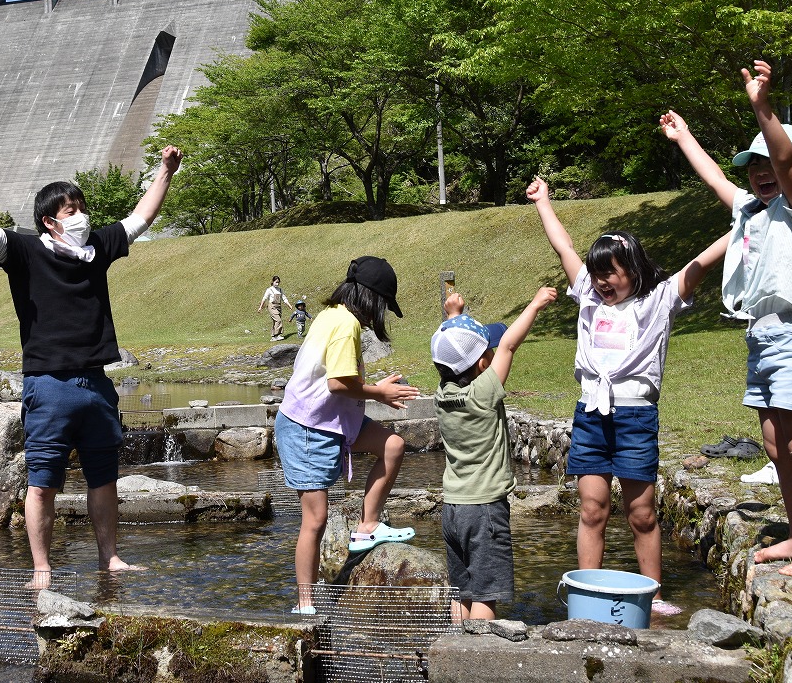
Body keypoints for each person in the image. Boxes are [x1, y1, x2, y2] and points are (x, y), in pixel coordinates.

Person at [0, 144, 183, 589]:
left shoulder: (97, 247)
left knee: (104, 479)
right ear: (49, 221)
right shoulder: (24, 252)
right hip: (48, 385)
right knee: (43, 483)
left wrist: (166, 171)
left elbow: (140, 219)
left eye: (81, 208)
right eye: (70, 210)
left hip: (96, 384)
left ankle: (110, 558)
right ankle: (41, 569)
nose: (80, 216)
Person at [660, 59, 792, 579]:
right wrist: (685, 138)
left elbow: (784, 156)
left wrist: (762, 106)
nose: (761, 170)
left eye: (769, 163)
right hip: (761, 337)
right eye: (753, 165)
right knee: (773, 444)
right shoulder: (751, 212)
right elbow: (717, 178)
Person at [527, 177, 727, 615]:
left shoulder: (656, 300)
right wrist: (543, 201)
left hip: (636, 417)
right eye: (596, 276)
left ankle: (652, 595)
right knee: (593, 509)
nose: (600, 283)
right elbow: (564, 249)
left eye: (610, 274)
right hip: (590, 415)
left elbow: (700, 265)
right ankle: (587, 593)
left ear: (632, 271)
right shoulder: (589, 300)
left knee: (642, 513)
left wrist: (745, 225)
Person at [273, 256, 421, 614]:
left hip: (335, 420)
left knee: (393, 445)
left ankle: (368, 525)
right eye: (383, 305)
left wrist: (373, 388)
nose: (380, 314)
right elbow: (338, 383)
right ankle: (304, 603)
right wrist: (379, 393)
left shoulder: (332, 314)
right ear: (371, 298)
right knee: (316, 519)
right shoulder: (345, 324)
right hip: (308, 426)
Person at [431, 286, 558, 621]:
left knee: (462, 591)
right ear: (483, 362)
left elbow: (452, 350)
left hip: (453, 509)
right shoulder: (483, 394)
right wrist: (534, 303)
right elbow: (510, 344)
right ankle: (477, 660)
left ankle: (455, 656)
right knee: (487, 594)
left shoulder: (442, 394)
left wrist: (453, 316)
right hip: (484, 509)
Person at [258, 275, 294, 341]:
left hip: (278, 306)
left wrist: (289, 305)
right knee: (278, 320)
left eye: (278, 282)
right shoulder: (269, 290)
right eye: (276, 282)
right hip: (271, 306)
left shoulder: (280, 290)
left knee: (275, 321)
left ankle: (273, 337)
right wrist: (260, 307)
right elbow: (264, 298)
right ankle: (277, 335)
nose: (277, 284)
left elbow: (284, 298)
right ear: (273, 282)